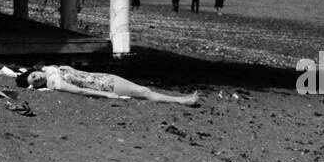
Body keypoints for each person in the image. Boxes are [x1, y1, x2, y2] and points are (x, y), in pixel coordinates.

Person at [13, 66, 198, 104]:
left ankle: (180, 99)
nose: (37, 79)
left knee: (143, 90)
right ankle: (181, 100)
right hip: (104, 87)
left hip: (103, 77)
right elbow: (81, 91)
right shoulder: (54, 82)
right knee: (143, 91)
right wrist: (106, 95)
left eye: (34, 76)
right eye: (35, 83)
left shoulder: (50, 70)